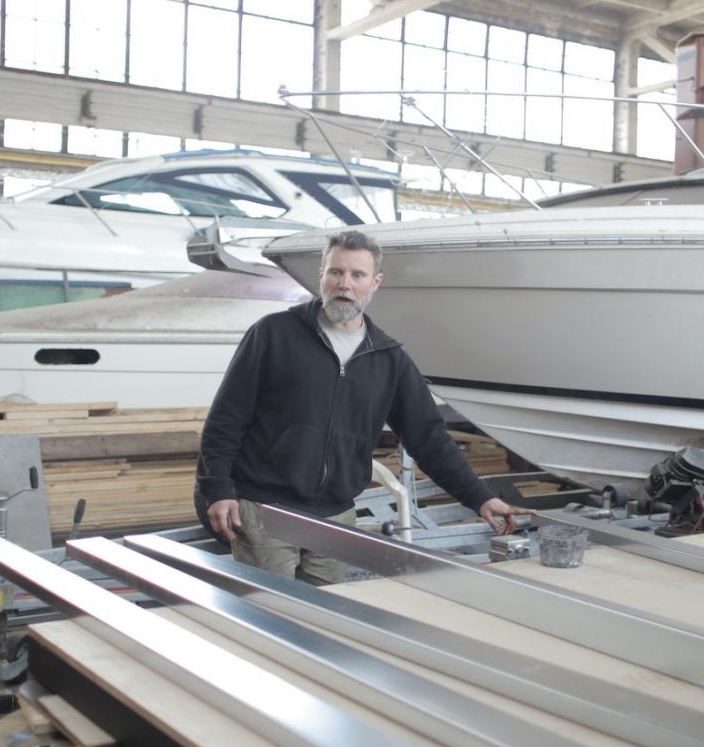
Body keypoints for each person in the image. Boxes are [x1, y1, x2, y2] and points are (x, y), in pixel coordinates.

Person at [196, 229, 530, 584]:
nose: (345, 284)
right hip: (265, 511)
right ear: (321, 276)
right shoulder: (273, 334)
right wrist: (217, 490)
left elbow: (429, 439)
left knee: (326, 613)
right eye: (336, 272)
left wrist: (480, 498)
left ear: (375, 282)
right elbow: (226, 419)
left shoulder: (389, 359)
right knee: (267, 609)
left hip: (336, 517)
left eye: (357, 275)